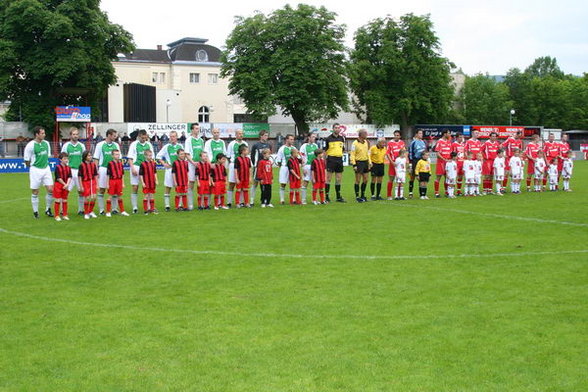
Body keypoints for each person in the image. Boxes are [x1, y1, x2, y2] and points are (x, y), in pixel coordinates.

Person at [24, 126, 54, 218]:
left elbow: (47, 156)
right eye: (42, 133)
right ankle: (36, 212)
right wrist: (33, 167)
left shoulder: (46, 144)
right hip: (35, 170)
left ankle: (48, 209)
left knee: (50, 189)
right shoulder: (30, 145)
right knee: (35, 191)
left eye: (44, 133)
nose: (44, 135)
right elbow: (26, 160)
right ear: (37, 134)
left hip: (46, 168)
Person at [93, 129, 120, 214]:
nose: (115, 137)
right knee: (102, 189)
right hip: (103, 169)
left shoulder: (116, 145)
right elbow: (96, 158)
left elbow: (119, 158)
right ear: (109, 135)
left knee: (114, 189)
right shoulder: (100, 145)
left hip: (114, 170)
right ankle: (101, 209)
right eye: (114, 135)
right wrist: (96, 170)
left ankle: (114, 209)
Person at [61, 126, 86, 214]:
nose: (75, 136)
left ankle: (81, 210)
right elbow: (62, 158)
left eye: (77, 134)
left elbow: (84, 158)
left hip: (79, 171)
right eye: (74, 134)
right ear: (70, 135)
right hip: (70, 171)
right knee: (66, 191)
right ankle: (62, 210)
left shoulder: (81, 146)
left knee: (81, 191)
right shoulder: (66, 145)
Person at [127, 129, 154, 213]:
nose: (143, 139)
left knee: (148, 187)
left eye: (145, 137)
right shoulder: (134, 144)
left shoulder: (149, 144)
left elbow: (152, 157)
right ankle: (135, 207)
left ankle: (149, 207)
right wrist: (132, 168)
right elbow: (130, 157)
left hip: (146, 167)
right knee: (135, 187)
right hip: (136, 166)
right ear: (138, 136)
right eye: (142, 137)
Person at [156, 131, 183, 211]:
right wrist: (164, 163)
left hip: (179, 170)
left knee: (179, 187)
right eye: (171, 136)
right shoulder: (166, 146)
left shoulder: (180, 146)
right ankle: (167, 205)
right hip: (170, 169)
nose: (172, 138)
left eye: (174, 136)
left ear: (177, 137)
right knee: (168, 187)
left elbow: (183, 156)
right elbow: (158, 156)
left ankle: (179, 205)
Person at [185, 123, 205, 210]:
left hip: (200, 165)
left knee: (201, 183)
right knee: (191, 183)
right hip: (192, 164)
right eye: (196, 128)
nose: (198, 130)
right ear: (192, 130)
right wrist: (193, 163)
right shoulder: (189, 140)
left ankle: (201, 203)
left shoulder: (201, 140)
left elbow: (203, 153)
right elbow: (187, 154)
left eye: (198, 128)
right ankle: (190, 204)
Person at [324, 123, 346, 203]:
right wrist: (324, 161)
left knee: (338, 179)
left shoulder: (342, 138)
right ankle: (326, 197)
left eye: (338, 128)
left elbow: (343, 149)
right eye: (336, 128)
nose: (337, 129)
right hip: (331, 160)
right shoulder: (328, 139)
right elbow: (324, 151)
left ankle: (338, 197)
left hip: (339, 160)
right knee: (328, 178)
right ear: (333, 128)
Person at [249, 129, 272, 205]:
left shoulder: (269, 145)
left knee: (265, 185)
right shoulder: (256, 145)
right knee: (255, 183)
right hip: (258, 167)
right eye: (265, 135)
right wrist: (255, 165)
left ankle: (265, 200)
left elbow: (269, 155)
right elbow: (252, 156)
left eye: (267, 135)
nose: (266, 137)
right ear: (261, 136)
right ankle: (251, 200)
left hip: (266, 168)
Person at [226, 129, 248, 206]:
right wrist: (233, 163)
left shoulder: (245, 143)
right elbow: (228, 156)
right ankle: (229, 202)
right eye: (239, 133)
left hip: (243, 166)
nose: (241, 135)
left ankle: (241, 202)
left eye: (242, 133)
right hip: (234, 165)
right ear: (235, 135)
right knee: (232, 184)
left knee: (242, 184)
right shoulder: (232, 144)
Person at [105, 149, 129, 217]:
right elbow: (108, 175)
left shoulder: (120, 163)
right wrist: (107, 184)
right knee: (110, 196)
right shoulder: (110, 163)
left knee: (120, 196)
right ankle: (108, 212)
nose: (117, 156)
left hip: (119, 181)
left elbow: (122, 174)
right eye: (116, 154)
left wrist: (123, 183)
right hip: (112, 181)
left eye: (118, 154)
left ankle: (122, 211)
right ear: (112, 155)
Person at [350, 129, 370, 202]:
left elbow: (368, 153)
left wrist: (369, 162)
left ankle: (363, 195)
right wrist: (354, 164)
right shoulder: (354, 143)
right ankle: (357, 196)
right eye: (365, 134)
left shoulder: (366, 142)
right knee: (358, 180)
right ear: (361, 135)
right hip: (358, 163)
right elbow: (352, 154)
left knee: (366, 180)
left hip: (365, 162)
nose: (366, 135)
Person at [299, 133, 319, 205]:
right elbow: (301, 157)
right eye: (313, 137)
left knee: (315, 183)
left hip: (315, 166)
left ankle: (314, 200)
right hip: (307, 166)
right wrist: (303, 167)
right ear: (309, 137)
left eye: (315, 137)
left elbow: (318, 156)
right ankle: (303, 200)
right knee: (306, 182)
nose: (314, 138)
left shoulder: (315, 146)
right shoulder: (304, 146)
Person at [276, 134, 296, 204]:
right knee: (283, 183)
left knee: (292, 183)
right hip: (284, 168)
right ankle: (282, 199)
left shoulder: (294, 148)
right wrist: (282, 166)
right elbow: (278, 160)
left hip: (292, 169)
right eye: (291, 139)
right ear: (286, 140)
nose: (292, 141)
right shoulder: (282, 148)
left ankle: (293, 199)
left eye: (293, 139)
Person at [78, 150, 98, 219]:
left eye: (90, 155)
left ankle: (91, 211)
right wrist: (81, 186)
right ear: (85, 157)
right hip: (85, 182)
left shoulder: (93, 164)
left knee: (94, 197)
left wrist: (97, 184)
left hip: (92, 182)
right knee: (87, 198)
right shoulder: (81, 165)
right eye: (88, 155)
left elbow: (95, 175)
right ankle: (86, 213)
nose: (90, 157)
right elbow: (79, 176)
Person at [386, 130, 405, 199]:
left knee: (400, 179)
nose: (396, 136)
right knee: (391, 178)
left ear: (400, 136)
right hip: (393, 163)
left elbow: (404, 152)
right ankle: (389, 195)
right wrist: (392, 162)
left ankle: (400, 195)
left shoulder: (402, 143)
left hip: (400, 164)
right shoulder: (390, 143)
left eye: (397, 135)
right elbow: (387, 154)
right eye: (395, 135)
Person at [53, 152, 72, 221]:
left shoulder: (68, 168)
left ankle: (65, 215)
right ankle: (57, 215)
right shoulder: (57, 167)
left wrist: (67, 184)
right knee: (57, 200)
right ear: (60, 160)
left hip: (65, 185)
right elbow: (58, 178)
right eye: (64, 159)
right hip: (58, 185)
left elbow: (70, 176)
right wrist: (65, 184)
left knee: (65, 200)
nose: (66, 160)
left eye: (67, 158)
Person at [434, 129, 452, 198]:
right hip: (441, 162)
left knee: (447, 177)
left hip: (448, 162)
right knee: (438, 177)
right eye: (448, 133)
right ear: (444, 134)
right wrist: (444, 159)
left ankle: (446, 192)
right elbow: (437, 153)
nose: (449, 134)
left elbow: (450, 152)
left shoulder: (449, 142)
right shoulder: (440, 141)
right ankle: (436, 193)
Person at [408, 130, 427, 198]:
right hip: (415, 161)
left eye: (422, 133)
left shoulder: (423, 142)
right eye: (420, 133)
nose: (421, 134)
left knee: (421, 177)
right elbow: (410, 152)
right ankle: (410, 193)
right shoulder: (413, 142)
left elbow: (425, 152)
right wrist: (410, 163)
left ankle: (421, 194)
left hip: (422, 161)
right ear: (416, 134)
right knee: (412, 177)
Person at [139, 149, 158, 214]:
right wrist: (142, 182)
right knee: (146, 196)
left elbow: (155, 172)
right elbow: (141, 174)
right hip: (146, 182)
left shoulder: (153, 163)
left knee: (152, 195)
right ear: (145, 156)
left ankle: (152, 209)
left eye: (151, 155)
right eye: (149, 156)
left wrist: (156, 180)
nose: (151, 157)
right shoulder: (143, 164)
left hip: (152, 182)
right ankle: (145, 210)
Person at [233, 144, 252, 208]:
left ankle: (246, 203)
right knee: (238, 190)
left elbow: (250, 168)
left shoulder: (248, 159)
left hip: (246, 178)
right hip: (240, 178)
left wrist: (250, 177)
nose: (248, 151)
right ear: (243, 151)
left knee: (246, 190)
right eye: (247, 150)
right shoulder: (237, 159)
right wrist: (237, 178)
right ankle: (237, 203)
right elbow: (235, 169)